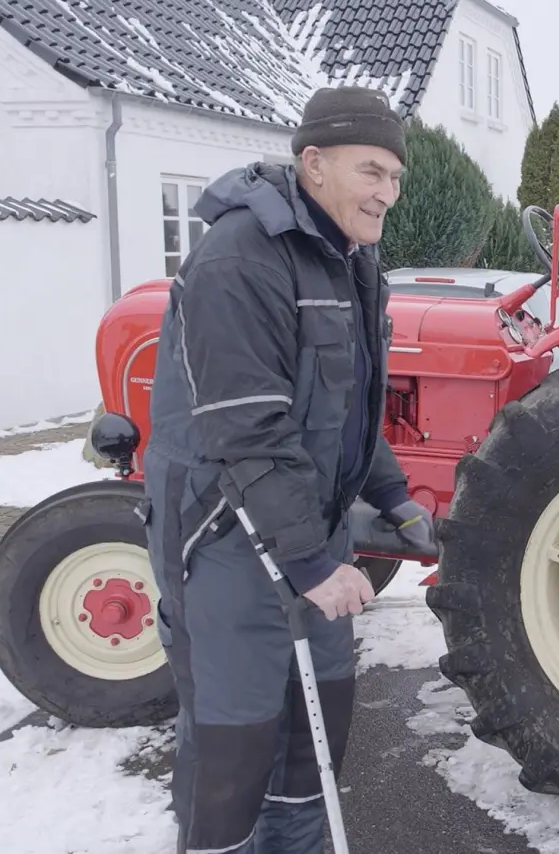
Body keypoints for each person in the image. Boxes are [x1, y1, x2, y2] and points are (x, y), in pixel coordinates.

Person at [139, 85, 435, 854]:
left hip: (309, 528)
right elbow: (248, 428)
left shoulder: (349, 261)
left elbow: (345, 406)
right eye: (372, 171)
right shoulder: (239, 260)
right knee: (232, 761)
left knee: (311, 746)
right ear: (314, 164)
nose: (387, 194)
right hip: (224, 536)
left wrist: (393, 495)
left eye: (395, 179)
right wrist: (309, 561)